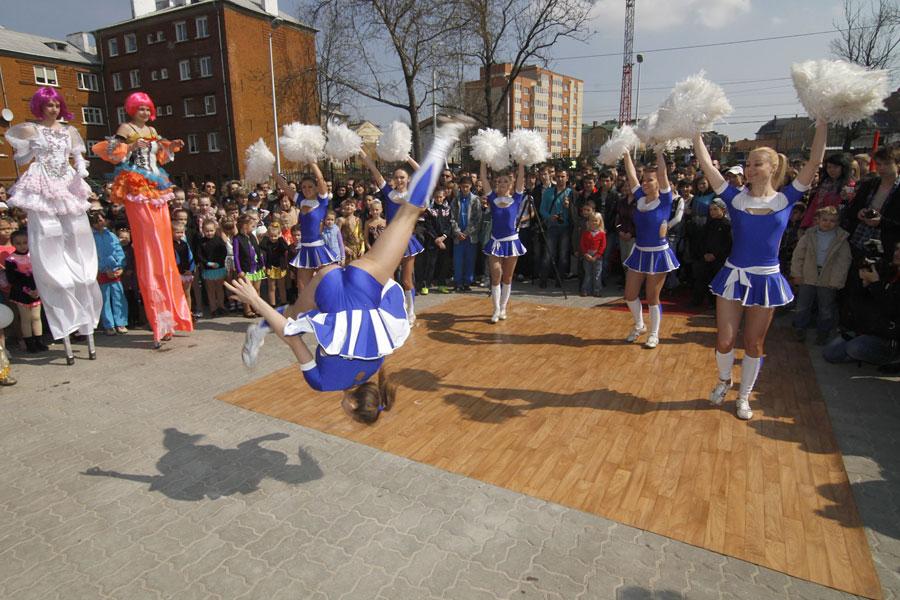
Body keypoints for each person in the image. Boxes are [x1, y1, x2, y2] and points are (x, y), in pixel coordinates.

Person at [228, 117, 471, 422]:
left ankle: (444, 138)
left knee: (411, 213)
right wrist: (255, 300)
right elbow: (291, 336)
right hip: (329, 283)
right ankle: (258, 330)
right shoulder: (322, 383)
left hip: (362, 280)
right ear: (353, 406)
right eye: (351, 416)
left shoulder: (376, 366)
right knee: (289, 319)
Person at [693, 118, 827, 420]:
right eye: (748, 164)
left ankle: (743, 396)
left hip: (765, 279)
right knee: (725, 339)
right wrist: (695, 134)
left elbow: (816, 160)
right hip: (733, 276)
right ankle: (724, 380)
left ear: (771, 168)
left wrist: (822, 122)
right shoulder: (734, 198)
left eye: (757, 164)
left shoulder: (786, 198)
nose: (750, 169)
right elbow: (707, 167)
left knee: (754, 342)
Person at [5, 87, 101, 361]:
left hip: (66, 182)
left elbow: (78, 155)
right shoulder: (34, 131)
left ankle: (84, 305)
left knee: (77, 231)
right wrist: (30, 149)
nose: (54, 109)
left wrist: (81, 169)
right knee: (49, 232)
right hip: (44, 180)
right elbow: (20, 159)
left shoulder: (68, 130)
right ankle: (59, 290)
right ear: (40, 107)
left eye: (57, 104)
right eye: (48, 105)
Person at [92, 91, 191, 349]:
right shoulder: (125, 128)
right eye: (141, 108)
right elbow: (111, 152)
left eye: (148, 109)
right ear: (132, 109)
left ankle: (170, 318)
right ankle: (158, 321)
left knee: (165, 253)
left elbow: (160, 155)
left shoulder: (152, 130)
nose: (145, 113)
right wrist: (130, 147)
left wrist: (170, 146)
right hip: (137, 189)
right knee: (150, 253)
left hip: (156, 188)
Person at [620, 151, 679, 349]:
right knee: (629, 294)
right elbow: (631, 175)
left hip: (658, 253)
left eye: (650, 180)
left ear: (659, 183)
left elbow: (663, 174)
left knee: (652, 297)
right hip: (639, 251)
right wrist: (626, 154)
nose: (645, 183)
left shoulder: (665, 200)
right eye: (644, 180)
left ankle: (654, 333)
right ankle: (639, 325)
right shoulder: (639, 198)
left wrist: (660, 151)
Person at [360, 152, 423, 323]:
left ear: (408, 179)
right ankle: (394, 309)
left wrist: (407, 157)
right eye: (397, 177)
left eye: (402, 177)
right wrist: (362, 152)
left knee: (407, 280)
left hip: (407, 241)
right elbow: (374, 170)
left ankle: (411, 312)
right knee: (389, 279)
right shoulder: (388, 193)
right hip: (389, 242)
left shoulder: (414, 194)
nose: (400, 180)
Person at [823, 241, 900, 368]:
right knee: (830, 354)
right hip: (867, 328)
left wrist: (875, 284)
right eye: (897, 249)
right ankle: (861, 347)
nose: (897, 253)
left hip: (887, 336)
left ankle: (890, 358)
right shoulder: (887, 269)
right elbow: (857, 301)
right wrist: (864, 283)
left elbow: (892, 309)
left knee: (854, 348)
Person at [790, 205, 852, 344]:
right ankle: (800, 328)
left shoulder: (841, 239)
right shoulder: (809, 236)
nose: (827, 223)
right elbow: (798, 255)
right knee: (802, 305)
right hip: (808, 275)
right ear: (817, 220)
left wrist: (836, 281)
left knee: (826, 307)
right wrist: (797, 273)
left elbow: (843, 262)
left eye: (832, 221)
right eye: (824, 220)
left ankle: (823, 332)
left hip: (828, 278)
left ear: (837, 223)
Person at [480, 159, 526, 323]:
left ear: (511, 184)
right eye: (499, 181)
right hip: (495, 242)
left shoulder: (517, 199)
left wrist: (521, 162)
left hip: (512, 242)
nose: (502, 183)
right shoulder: (492, 198)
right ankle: (496, 309)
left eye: (506, 181)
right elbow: (483, 179)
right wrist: (483, 160)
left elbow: (521, 179)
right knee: (496, 275)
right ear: (496, 184)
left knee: (507, 277)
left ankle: (503, 307)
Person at [5, 230, 47, 353]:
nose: (22, 246)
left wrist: (38, 289)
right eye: (18, 243)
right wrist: (27, 290)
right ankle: (29, 343)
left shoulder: (34, 255)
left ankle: (39, 341)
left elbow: (41, 272)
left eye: (25, 242)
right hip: (21, 292)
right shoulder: (11, 259)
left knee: (36, 317)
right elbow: (12, 279)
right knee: (26, 318)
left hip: (36, 289)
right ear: (13, 244)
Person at [90, 209, 129, 335]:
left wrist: (120, 267)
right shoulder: (91, 238)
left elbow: (119, 251)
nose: (100, 223)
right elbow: (93, 256)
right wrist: (103, 269)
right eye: (97, 222)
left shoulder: (111, 235)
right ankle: (109, 324)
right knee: (105, 299)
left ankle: (121, 322)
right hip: (102, 273)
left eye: (102, 220)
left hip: (115, 271)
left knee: (119, 297)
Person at [691, 198, 732, 307]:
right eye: (711, 210)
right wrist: (705, 253)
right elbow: (702, 241)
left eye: (715, 209)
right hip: (705, 257)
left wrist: (715, 255)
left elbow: (727, 244)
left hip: (720, 259)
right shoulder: (708, 224)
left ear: (723, 210)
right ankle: (698, 301)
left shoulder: (727, 226)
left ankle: (714, 303)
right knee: (701, 277)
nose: (712, 212)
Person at [800, 153, 853, 229]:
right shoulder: (824, 184)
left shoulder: (849, 185)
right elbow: (813, 206)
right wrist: (804, 225)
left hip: (835, 225)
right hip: (817, 224)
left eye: (836, 167)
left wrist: (845, 199)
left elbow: (846, 207)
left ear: (843, 168)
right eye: (829, 167)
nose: (832, 170)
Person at [539, 169, 573, 288]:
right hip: (552, 227)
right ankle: (543, 280)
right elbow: (542, 209)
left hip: (565, 227)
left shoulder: (571, 192)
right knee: (548, 255)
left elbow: (576, 212)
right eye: (558, 176)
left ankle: (560, 281)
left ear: (567, 178)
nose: (560, 179)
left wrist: (569, 207)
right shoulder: (548, 192)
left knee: (563, 256)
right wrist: (550, 217)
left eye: (563, 176)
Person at [450, 176, 483, 292]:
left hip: (471, 236)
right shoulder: (455, 200)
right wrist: (458, 232)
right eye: (463, 186)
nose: (464, 189)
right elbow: (452, 218)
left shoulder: (475, 200)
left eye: (467, 187)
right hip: (459, 236)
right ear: (460, 186)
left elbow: (477, 219)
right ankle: (458, 282)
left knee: (470, 259)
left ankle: (467, 282)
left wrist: (467, 232)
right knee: (458, 260)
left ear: (470, 187)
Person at [232, 213, 265, 318]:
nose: (253, 228)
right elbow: (236, 255)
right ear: (244, 226)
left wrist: (262, 263)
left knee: (257, 289)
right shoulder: (237, 239)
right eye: (252, 226)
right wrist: (239, 270)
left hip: (256, 267)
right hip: (246, 269)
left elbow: (258, 251)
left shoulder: (252, 236)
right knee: (247, 290)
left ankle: (257, 308)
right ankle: (247, 309)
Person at [421, 187, 453, 294]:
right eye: (437, 197)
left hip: (445, 241)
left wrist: (443, 237)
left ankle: (441, 284)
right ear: (433, 198)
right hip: (432, 241)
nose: (439, 199)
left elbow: (449, 224)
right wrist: (436, 239)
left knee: (443, 263)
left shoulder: (447, 210)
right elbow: (428, 226)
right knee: (431, 264)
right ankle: (426, 285)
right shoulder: (430, 210)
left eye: (441, 197)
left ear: (444, 197)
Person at [197, 218, 228, 317]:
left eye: (211, 230)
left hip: (219, 268)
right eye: (207, 231)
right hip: (208, 269)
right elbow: (199, 255)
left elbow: (224, 252)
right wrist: (208, 263)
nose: (209, 233)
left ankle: (221, 306)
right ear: (203, 230)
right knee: (210, 290)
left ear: (215, 230)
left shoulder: (219, 240)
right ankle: (213, 308)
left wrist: (218, 263)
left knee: (219, 289)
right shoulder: (201, 242)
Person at [580, 212, 607, 297]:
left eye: (596, 220)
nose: (594, 222)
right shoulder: (586, 233)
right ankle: (586, 290)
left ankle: (597, 290)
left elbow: (603, 246)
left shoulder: (602, 234)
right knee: (588, 273)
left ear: (600, 222)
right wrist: (585, 254)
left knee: (597, 274)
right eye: (592, 220)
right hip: (587, 255)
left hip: (597, 256)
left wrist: (597, 255)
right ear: (588, 222)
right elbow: (582, 244)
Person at [172, 223, 196, 316]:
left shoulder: (185, 244)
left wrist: (191, 269)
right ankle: (178, 314)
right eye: (177, 232)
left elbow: (190, 257)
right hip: (177, 273)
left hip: (187, 272)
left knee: (187, 294)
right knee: (177, 294)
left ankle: (188, 313)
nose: (180, 234)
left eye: (181, 232)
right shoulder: (170, 244)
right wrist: (176, 271)